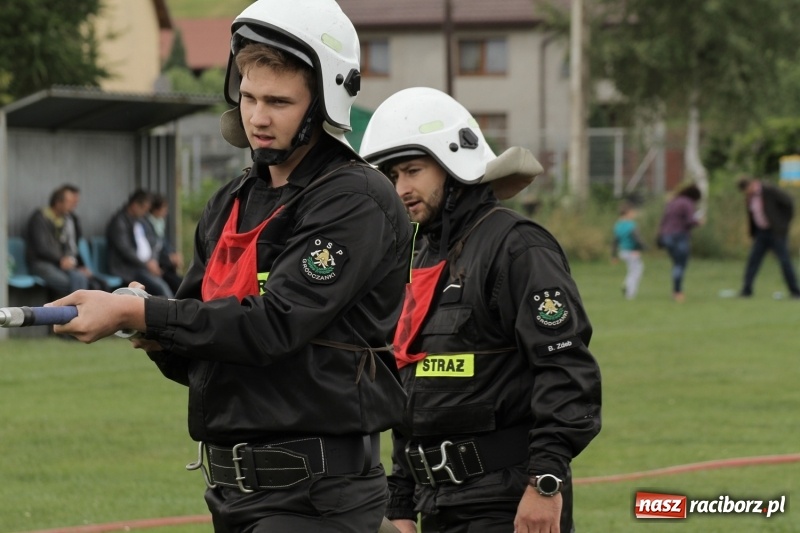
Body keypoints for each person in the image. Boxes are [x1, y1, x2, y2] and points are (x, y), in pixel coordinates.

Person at [50, 1, 413, 531]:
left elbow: (273, 326)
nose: (257, 117)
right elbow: (204, 351)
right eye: (247, 96)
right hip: (232, 497)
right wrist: (151, 331)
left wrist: (147, 315)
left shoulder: (355, 199)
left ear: (324, 101)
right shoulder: (230, 201)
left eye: (278, 101)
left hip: (317, 501)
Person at [359, 87, 602, 533]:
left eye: (413, 170)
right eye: (393, 175)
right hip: (437, 506)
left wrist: (545, 484)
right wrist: (400, 502)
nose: (401, 189)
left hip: (508, 503)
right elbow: (411, 388)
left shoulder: (517, 247)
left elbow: (567, 373)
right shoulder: (422, 256)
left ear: (455, 164)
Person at [737, 176, 800, 298]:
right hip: (761, 233)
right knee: (753, 261)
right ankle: (747, 290)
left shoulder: (769, 190)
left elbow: (789, 203)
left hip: (776, 232)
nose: (747, 192)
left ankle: (795, 291)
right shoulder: (750, 197)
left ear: (752, 184)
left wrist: (782, 224)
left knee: (784, 261)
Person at [26, 184, 95, 296]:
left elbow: (72, 247)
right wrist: (60, 260)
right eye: (70, 202)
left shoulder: (67, 220)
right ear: (58, 202)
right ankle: (72, 311)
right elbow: (41, 248)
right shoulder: (39, 218)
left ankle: (75, 311)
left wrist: (77, 265)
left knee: (81, 279)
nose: (73, 206)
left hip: (60, 264)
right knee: (70, 284)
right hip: (41, 263)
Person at [106, 188, 174, 297]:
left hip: (143, 266)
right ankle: (169, 312)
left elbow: (152, 242)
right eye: (144, 209)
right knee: (161, 287)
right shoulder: (119, 222)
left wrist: (153, 261)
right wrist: (147, 265)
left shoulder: (140, 221)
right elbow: (126, 250)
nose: (145, 213)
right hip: (127, 268)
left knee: (172, 280)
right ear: (135, 205)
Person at [656, 184, 703, 302]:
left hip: (666, 237)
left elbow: (663, 220)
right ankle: (677, 292)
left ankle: (676, 291)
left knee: (676, 264)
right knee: (680, 265)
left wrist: (660, 235)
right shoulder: (687, 202)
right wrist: (699, 222)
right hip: (679, 236)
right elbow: (690, 221)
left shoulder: (672, 202)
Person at [143, 193, 184, 294]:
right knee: (173, 287)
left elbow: (164, 243)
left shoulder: (159, 223)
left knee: (181, 282)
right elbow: (152, 248)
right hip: (156, 265)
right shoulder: (145, 225)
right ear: (156, 209)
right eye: (164, 209)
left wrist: (174, 254)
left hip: (164, 264)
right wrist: (168, 259)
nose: (166, 212)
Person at [612, 202, 645, 300]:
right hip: (632, 251)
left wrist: (613, 255)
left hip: (622, 251)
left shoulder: (617, 225)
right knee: (636, 271)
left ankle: (627, 286)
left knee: (632, 270)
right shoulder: (631, 225)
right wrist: (643, 247)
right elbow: (637, 238)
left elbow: (615, 241)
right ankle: (629, 293)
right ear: (628, 213)